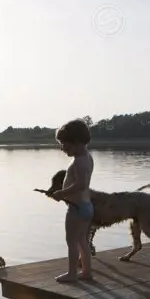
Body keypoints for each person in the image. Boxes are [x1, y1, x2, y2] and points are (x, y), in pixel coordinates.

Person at [50, 118, 95, 283]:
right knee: (82, 240)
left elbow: (81, 185)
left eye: (64, 143)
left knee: (71, 241)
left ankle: (72, 273)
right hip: (86, 207)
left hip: (77, 209)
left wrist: (61, 193)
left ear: (75, 142)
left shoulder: (80, 162)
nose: (62, 147)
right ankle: (86, 271)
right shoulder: (87, 158)